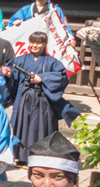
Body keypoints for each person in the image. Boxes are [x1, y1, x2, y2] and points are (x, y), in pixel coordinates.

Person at [8, 32, 68, 164]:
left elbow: (62, 77)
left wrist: (43, 78)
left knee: (40, 125)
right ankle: (21, 156)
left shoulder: (52, 62)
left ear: (45, 44)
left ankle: (41, 154)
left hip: (42, 99)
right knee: (21, 124)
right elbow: (12, 73)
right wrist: (7, 73)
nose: (35, 45)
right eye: (32, 42)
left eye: (39, 43)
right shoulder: (20, 60)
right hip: (23, 98)